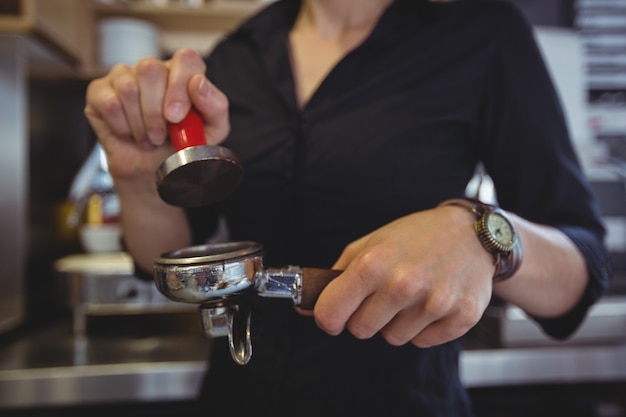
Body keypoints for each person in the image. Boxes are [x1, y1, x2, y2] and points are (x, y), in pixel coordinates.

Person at [84, 0, 612, 415]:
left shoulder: (486, 35)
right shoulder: (236, 55)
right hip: (238, 395)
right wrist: (135, 179)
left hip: (402, 405)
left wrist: (480, 233)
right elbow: (172, 253)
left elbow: (583, 268)